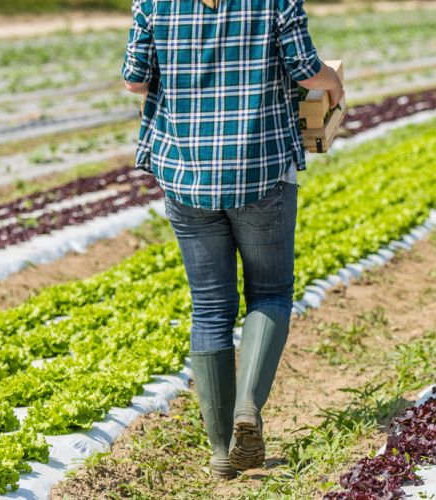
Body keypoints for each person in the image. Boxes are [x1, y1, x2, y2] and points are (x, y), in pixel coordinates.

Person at [121, 0, 344, 480]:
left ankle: (222, 453)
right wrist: (336, 83)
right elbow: (307, 72)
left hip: (187, 175)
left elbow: (135, 81)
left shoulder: (153, 2)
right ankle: (248, 405)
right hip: (261, 170)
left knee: (209, 308)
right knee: (269, 292)